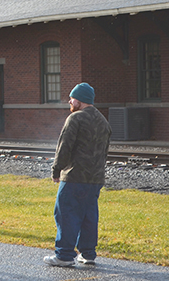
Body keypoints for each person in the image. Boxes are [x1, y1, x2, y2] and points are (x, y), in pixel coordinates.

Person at [43, 82, 111, 267]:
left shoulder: (75, 119)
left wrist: (56, 170)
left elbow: (64, 147)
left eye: (72, 98)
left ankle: (64, 255)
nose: (69, 101)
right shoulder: (103, 120)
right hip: (95, 178)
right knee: (89, 216)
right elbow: (104, 151)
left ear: (80, 100)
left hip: (74, 177)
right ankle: (88, 253)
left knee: (66, 214)